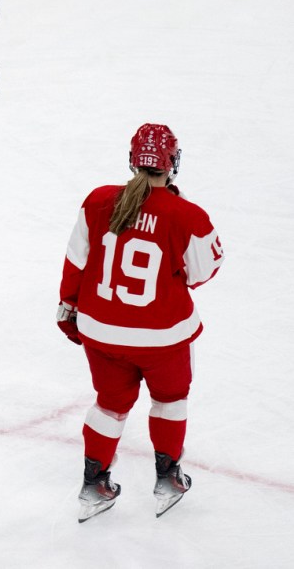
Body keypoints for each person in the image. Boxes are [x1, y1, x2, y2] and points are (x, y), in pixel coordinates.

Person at [57, 123, 223, 523]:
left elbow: (76, 262)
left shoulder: (98, 200)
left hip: (100, 330)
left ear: (133, 161)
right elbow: (201, 272)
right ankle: (167, 479)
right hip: (162, 337)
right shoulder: (188, 216)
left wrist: (68, 307)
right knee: (170, 400)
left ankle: (93, 485)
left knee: (109, 406)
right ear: (172, 163)